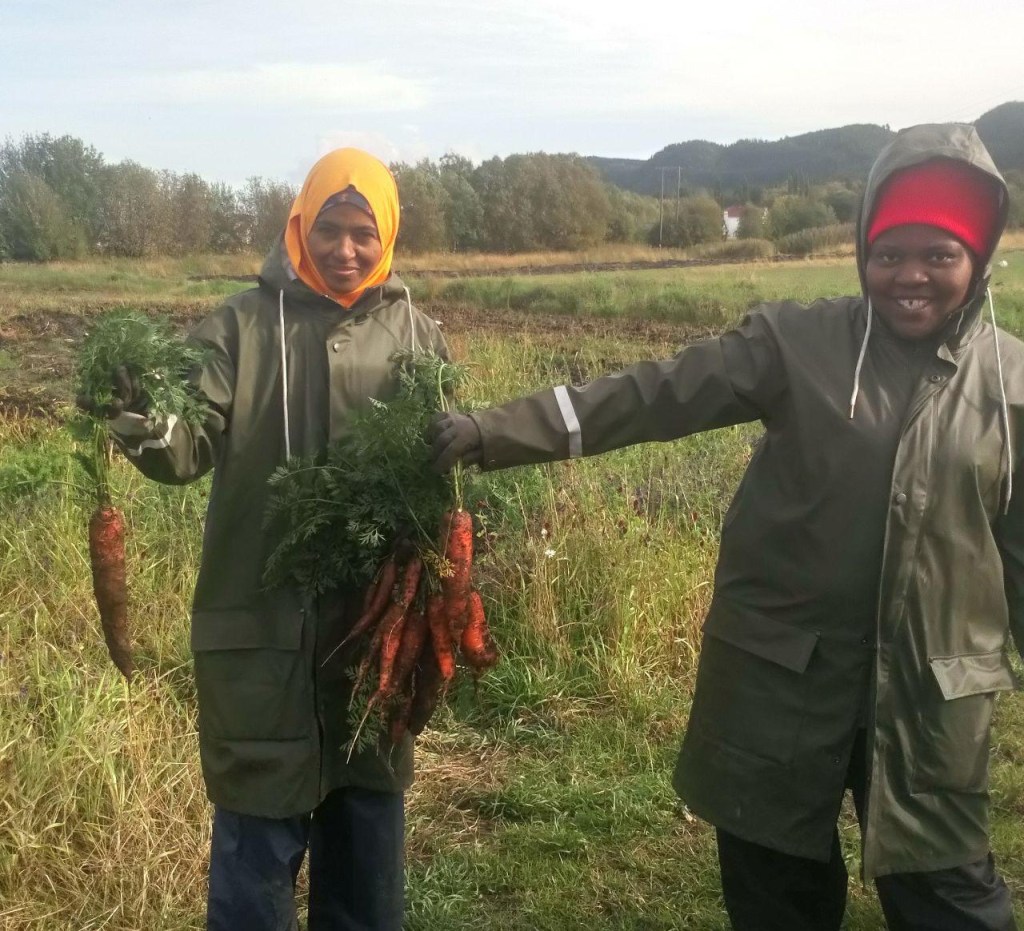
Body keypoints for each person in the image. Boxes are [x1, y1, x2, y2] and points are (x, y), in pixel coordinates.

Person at [430, 123, 1021, 930]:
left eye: (939, 256)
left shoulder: (1010, 383)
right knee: (776, 892)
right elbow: (651, 393)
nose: (910, 276)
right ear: (861, 251)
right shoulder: (797, 344)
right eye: (890, 253)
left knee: (949, 898)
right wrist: (493, 430)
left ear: (978, 258)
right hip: (782, 682)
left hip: (930, 696)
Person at [82, 149, 446, 930]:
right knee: (252, 877)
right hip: (260, 639)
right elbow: (183, 446)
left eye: (363, 233)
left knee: (366, 878)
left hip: (371, 640)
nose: (345, 249)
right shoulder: (238, 327)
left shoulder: (417, 335)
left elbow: (439, 477)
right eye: (328, 229)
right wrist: (136, 408)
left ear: (387, 237)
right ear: (297, 226)